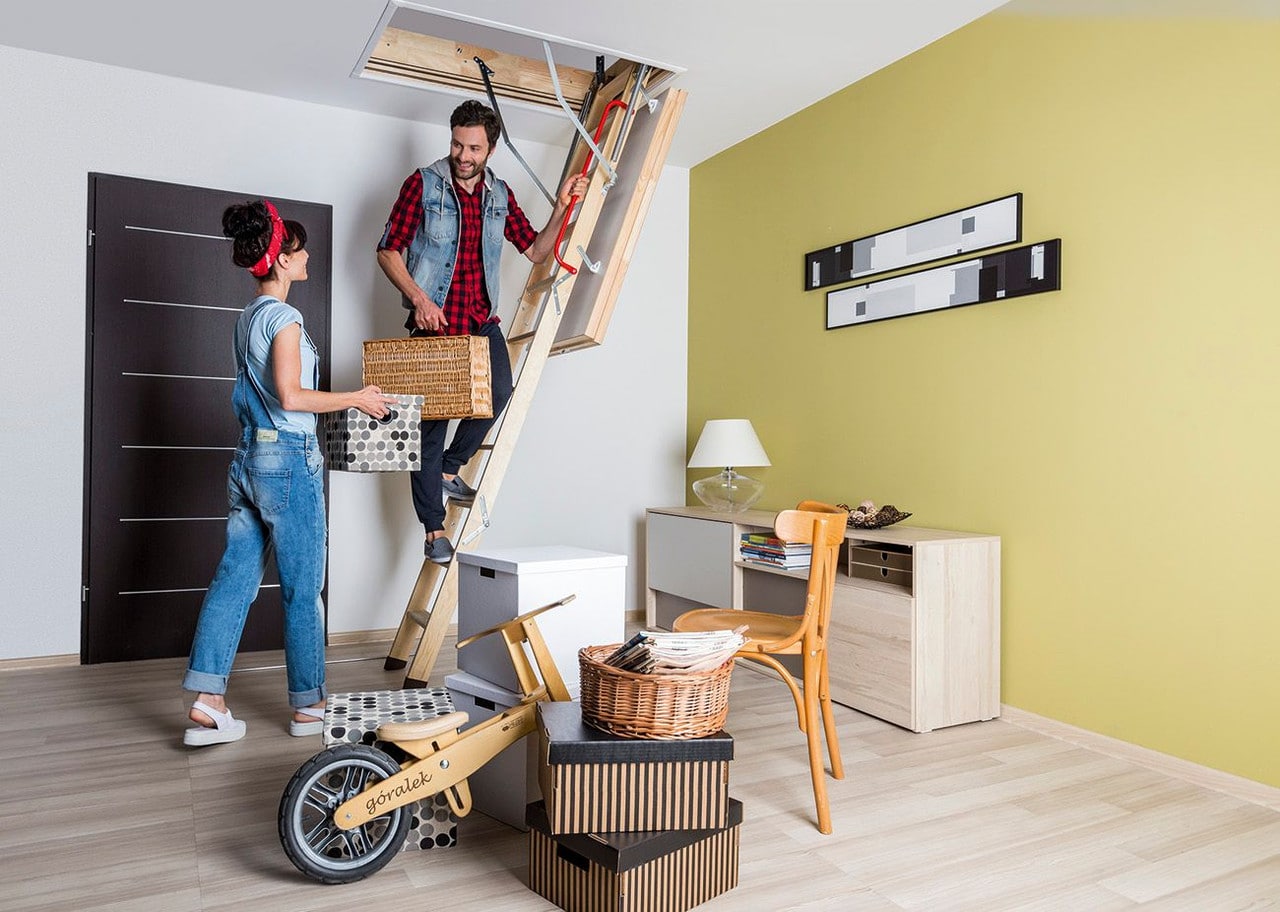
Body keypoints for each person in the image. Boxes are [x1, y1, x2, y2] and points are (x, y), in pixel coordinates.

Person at [182, 200, 397, 747]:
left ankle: (209, 702)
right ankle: (310, 708)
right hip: (288, 463)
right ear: (280, 261)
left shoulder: (247, 318)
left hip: (249, 458)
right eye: (298, 250)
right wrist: (358, 398)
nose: (305, 257)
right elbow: (292, 395)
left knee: (234, 579)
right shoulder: (285, 318)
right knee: (304, 589)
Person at [376, 99, 589, 564]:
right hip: (435, 326)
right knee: (429, 431)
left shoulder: (500, 195)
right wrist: (420, 299)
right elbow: (388, 251)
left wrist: (565, 206)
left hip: (479, 322)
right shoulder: (423, 184)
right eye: (457, 143)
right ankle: (434, 532)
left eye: (473, 147)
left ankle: (451, 470)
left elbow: (535, 251)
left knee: (500, 391)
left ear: (490, 148)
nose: (462, 154)